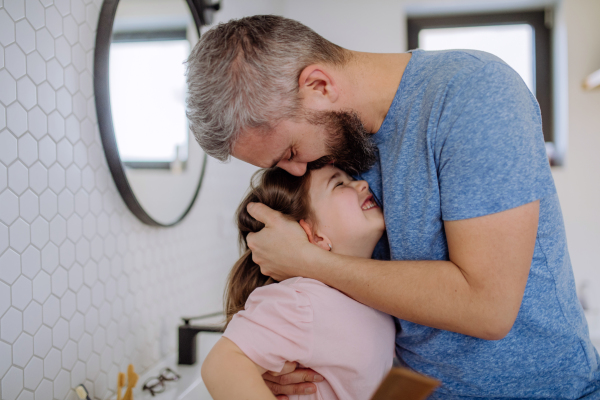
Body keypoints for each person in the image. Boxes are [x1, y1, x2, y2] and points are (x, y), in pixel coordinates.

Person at [186, 15, 600, 399]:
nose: (296, 170)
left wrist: (308, 261)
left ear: (319, 85)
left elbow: (488, 309)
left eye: (290, 150)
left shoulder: (473, 94)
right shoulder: (338, 144)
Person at [202, 165, 396, 400]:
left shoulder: (374, 294)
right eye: (339, 184)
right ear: (314, 235)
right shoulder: (302, 300)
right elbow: (222, 365)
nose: (363, 184)